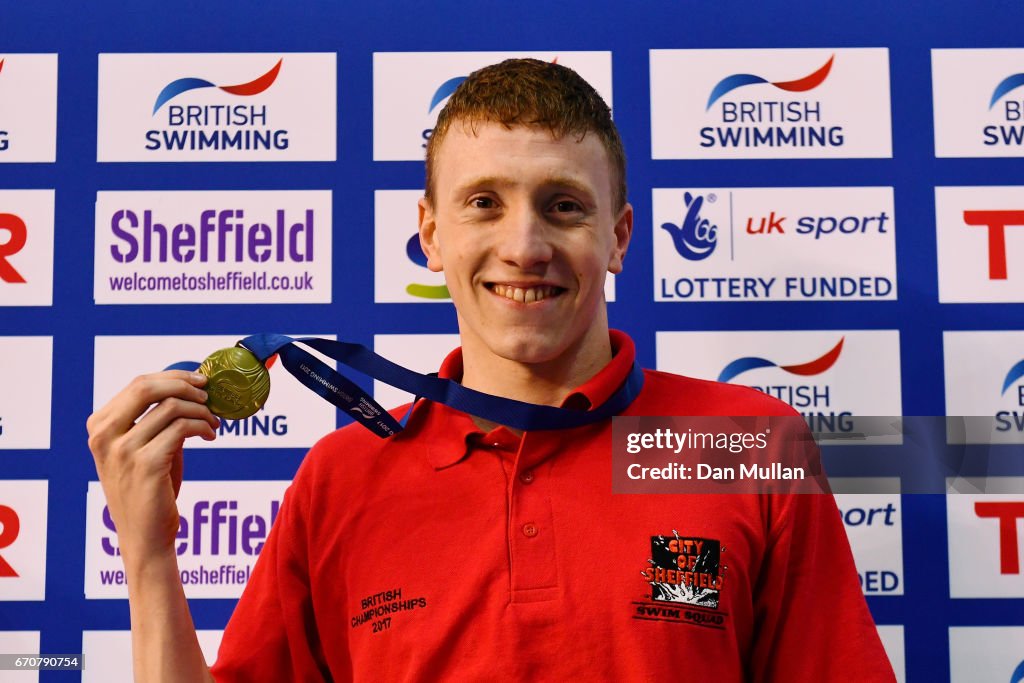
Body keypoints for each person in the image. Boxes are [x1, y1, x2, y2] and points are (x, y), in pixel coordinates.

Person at [88, 59, 896, 681]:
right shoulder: (340, 479)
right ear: (431, 234)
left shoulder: (743, 445)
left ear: (618, 238)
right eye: (484, 202)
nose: (525, 246)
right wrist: (150, 554)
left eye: (563, 204)